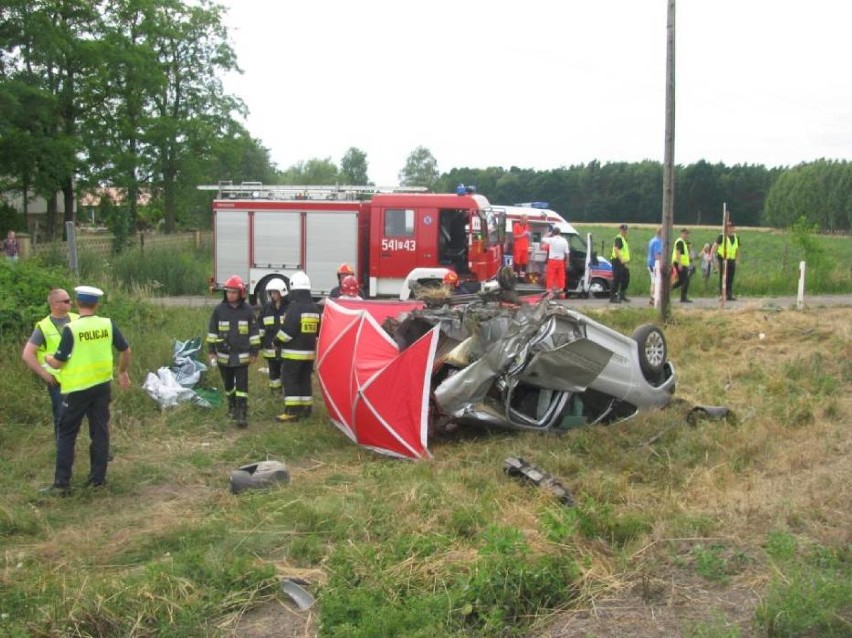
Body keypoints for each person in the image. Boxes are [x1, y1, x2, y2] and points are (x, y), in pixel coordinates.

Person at [40, 286, 131, 494]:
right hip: (101, 386)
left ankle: (62, 484)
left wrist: (47, 358)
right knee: (100, 431)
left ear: (78, 304)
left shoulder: (72, 329)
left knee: (66, 433)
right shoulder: (107, 324)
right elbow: (126, 350)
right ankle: (97, 480)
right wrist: (122, 372)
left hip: (77, 389)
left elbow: (57, 363)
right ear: (96, 304)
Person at [22, 289, 79, 438]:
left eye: (70, 300)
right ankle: (62, 451)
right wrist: (45, 375)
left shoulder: (77, 319)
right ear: (54, 304)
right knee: (62, 417)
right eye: (66, 301)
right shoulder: (44, 326)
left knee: (92, 414)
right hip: (58, 381)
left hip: (80, 376)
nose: (70, 303)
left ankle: (100, 450)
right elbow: (27, 354)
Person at [207, 275, 260, 427]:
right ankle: (232, 407)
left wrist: (254, 352)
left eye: (234, 292)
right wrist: (211, 351)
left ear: (241, 293)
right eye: (228, 292)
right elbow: (212, 332)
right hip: (224, 356)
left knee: (242, 386)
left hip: (242, 356)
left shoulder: (248, 311)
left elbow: (254, 333)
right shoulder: (219, 310)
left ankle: (242, 413)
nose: (230, 295)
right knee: (228, 384)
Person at [276, 271, 320, 423]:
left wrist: (276, 341)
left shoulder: (295, 308)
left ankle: (292, 412)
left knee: (290, 379)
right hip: (309, 354)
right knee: (304, 379)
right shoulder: (314, 308)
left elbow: (288, 332)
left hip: (293, 354)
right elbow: (318, 331)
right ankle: (306, 408)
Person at [259, 278, 290, 394]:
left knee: (286, 373)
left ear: (282, 292)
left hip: (285, 348)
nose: (272, 295)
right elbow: (261, 326)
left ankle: (286, 393)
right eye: (271, 292)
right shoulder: (266, 308)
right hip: (270, 348)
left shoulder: (289, 307)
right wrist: (260, 343)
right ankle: (275, 394)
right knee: (273, 373)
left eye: (275, 292)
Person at [711, 222, 741, 301]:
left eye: (733, 227)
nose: (731, 229)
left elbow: (737, 249)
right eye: (730, 227)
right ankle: (722, 294)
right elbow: (715, 246)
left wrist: (737, 259)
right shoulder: (722, 236)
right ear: (726, 228)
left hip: (732, 259)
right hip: (723, 259)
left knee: (730, 278)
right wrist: (712, 256)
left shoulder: (736, 237)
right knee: (723, 277)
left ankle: (729, 294)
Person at [542, 226, 569, 297]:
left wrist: (548, 234)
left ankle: (549, 292)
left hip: (552, 261)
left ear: (553, 233)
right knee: (561, 276)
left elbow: (543, 239)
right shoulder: (564, 240)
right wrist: (567, 261)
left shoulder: (551, 240)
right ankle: (561, 292)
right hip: (561, 261)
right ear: (560, 233)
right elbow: (567, 252)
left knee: (550, 276)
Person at [609, 224, 631, 303]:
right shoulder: (618, 238)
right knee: (616, 279)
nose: (625, 231)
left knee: (626, 278)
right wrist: (621, 259)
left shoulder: (624, 239)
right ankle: (612, 297)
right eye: (623, 230)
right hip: (617, 261)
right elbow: (616, 249)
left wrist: (625, 260)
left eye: (625, 230)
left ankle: (622, 295)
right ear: (620, 230)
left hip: (623, 262)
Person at [671, 228, 693, 303]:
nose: (687, 235)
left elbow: (684, 254)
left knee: (681, 281)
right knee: (686, 280)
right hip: (679, 263)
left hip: (682, 263)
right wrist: (680, 263)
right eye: (685, 234)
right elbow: (678, 252)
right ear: (682, 234)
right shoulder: (680, 242)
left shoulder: (684, 242)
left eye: (687, 234)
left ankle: (668, 290)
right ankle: (683, 297)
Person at [512, 213, 531, 280]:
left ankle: (522, 277)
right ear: (521, 219)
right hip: (518, 247)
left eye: (527, 220)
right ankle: (515, 276)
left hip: (525, 247)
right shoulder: (516, 226)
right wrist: (522, 235)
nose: (526, 221)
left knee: (524, 262)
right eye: (525, 219)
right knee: (517, 262)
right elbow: (514, 236)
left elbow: (527, 236)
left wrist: (528, 235)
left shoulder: (527, 226)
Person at [646, 227, 662, 306]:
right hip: (655, 264)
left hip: (650, 263)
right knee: (655, 282)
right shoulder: (658, 242)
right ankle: (653, 298)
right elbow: (657, 255)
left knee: (653, 281)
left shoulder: (652, 240)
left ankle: (652, 298)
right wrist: (661, 263)